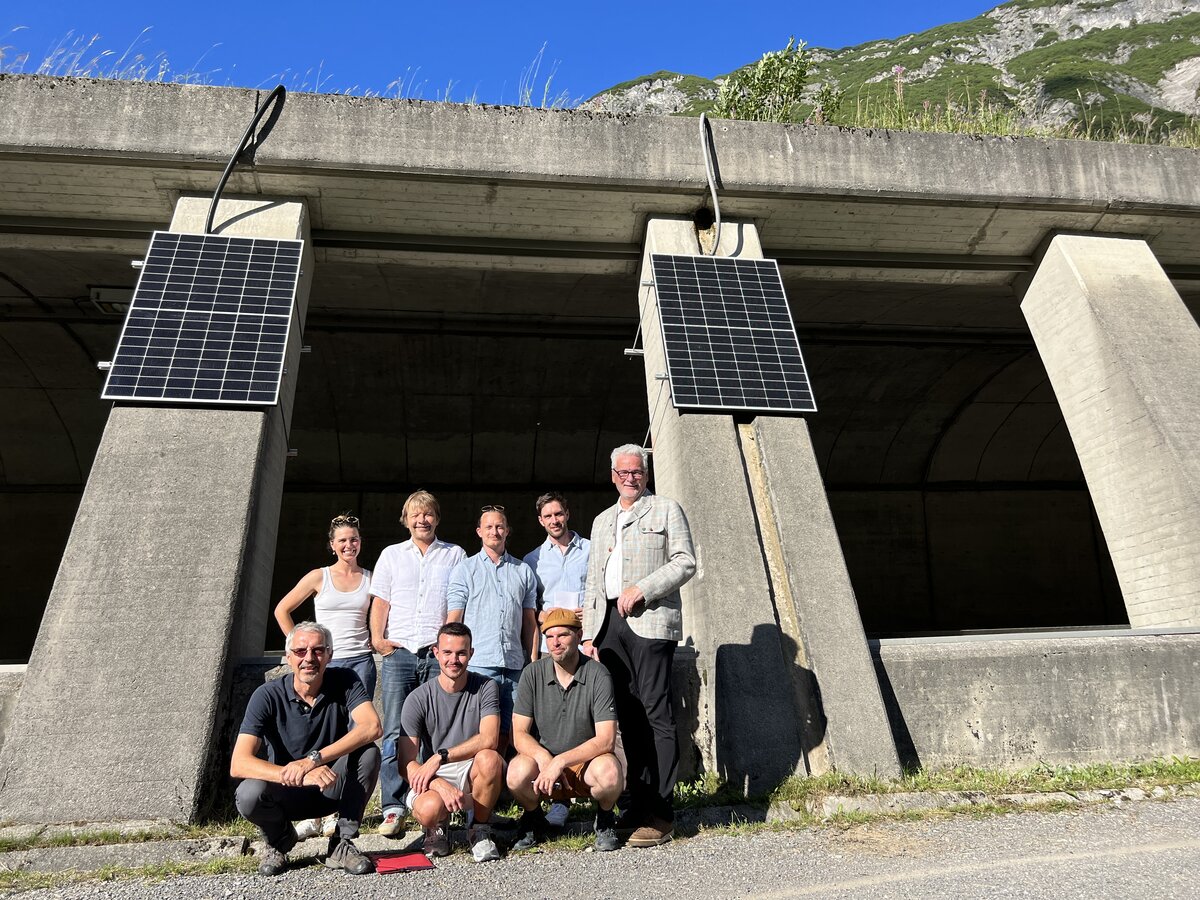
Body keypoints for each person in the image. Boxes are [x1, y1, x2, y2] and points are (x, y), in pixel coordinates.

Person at [582, 443, 696, 847]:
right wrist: (589, 634)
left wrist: (644, 589)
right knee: (626, 718)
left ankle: (662, 813)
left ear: (645, 475)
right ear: (613, 475)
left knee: (656, 715)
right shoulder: (601, 521)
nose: (631, 478)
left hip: (649, 621)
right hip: (610, 626)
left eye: (638, 472)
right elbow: (593, 581)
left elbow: (685, 561)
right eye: (624, 472)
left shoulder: (666, 508)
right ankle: (636, 801)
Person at [231, 621, 382, 877]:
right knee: (248, 793)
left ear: (330, 655)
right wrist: (295, 773)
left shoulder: (346, 681)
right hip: (286, 793)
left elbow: (372, 727)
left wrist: (313, 760)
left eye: (318, 650)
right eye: (301, 651)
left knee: (369, 753)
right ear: (288, 657)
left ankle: (341, 843)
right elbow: (239, 763)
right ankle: (279, 841)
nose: (309, 658)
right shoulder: (266, 695)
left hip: (329, 785)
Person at [369, 490, 466, 836]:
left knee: (431, 732)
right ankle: (393, 807)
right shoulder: (391, 555)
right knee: (396, 729)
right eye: (415, 515)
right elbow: (381, 600)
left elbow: (457, 602)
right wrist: (379, 640)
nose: (422, 520)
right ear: (406, 519)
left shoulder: (454, 554)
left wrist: (447, 643)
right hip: (400, 655)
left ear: (437, 518)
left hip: (434, 651)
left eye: (428, 514)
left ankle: (431, 804)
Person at [274, 513, 375, 840]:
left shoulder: (371, 578)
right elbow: (281, 610)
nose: (349, 545)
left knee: (352, 739)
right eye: (343, 540)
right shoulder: (319, 577)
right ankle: (312, 811)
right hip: (324, 663)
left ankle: (336, 811)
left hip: (360, 663)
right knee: (320, 736)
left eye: (354, 539)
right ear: (332, 545)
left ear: (360, 542)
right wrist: (300, 650)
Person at [507, 608, 623, 852]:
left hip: (585, 763)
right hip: (544, 765)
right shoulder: (532, 673)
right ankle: (533, 819)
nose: (555, 643)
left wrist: (560, 762)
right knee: (516, 773)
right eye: (549, 637)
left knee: (611, 772)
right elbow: (518, 734)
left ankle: (604, 819)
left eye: (563, 635)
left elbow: (606, 740)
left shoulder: (597, 674)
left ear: (579, 635)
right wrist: (545, 759)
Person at [398, 622, 505, 863]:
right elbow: (406, 762)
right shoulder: (418, 698)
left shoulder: (486, 687)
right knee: (427, 810)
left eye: (461, 653)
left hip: (469, 767)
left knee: (490, 758)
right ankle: (437, 826)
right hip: (435, 774)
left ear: (471, 654)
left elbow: (489, 738)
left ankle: (479, 828)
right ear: (436, 653)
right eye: (447, 652)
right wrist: (438, 784)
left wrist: (441, 755)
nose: (454, 659)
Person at [522, 491, 590, 828]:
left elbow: (602, 594)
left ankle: (604, 793)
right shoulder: (532, 560)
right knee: (552, 725)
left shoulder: (590, 550)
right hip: (551, 651)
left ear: (568, 514)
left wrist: (589, 617)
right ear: (540, 520)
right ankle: (559, 800)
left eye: (558, 514)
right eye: (547, 516)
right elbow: (529, 611)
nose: (554, 521)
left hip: (585, 647)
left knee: (590, 721)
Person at [446, 505, 538, 751]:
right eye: (489, 527)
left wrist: (532, 660)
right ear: (479, 531)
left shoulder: (523, 571)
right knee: (480, 734)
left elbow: (529, 621)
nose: (494, 531)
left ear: (508, 531)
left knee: (513, 734)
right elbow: (454, 620)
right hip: (479, 664)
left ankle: (507, 787)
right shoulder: (465, 570)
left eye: (499, 526)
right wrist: (451, 659)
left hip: (515, 666)